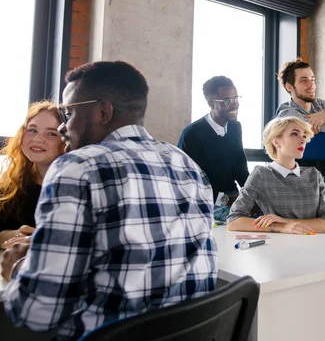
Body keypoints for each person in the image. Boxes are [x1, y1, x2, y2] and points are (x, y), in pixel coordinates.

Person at [1, 61, 217, 340]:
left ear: (103, 111)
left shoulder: (77, 166)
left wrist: (18, 267)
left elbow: (36, 313)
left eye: (69, 113)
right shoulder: (187, 165)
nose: (64, 127)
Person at [226, 116, 325, 234]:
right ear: (276, 141)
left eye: (304, 135)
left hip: (317, 244)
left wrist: (286, 222)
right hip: (279, 246)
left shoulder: (314, 174)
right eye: (294, 134)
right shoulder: (261, 174)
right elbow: (233, 221)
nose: (302, 140)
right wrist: (280, 227)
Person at [178, 76, 249, 222]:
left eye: (236, 98)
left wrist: (252, 195)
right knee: (240, 221)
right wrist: (225, 199)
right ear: (211, 103)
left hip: (233, 197)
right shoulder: (192, 134)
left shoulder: (235, 127)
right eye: (228, 101)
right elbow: (187, 182)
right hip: (206, 202)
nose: (235, 105)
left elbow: (240, 168)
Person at [0, 101, 64, 249]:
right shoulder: (11, 181)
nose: (37, 139)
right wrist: (16, 234)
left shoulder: (75, 185)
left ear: (66, 141)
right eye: (32, 130)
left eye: (51, 133)